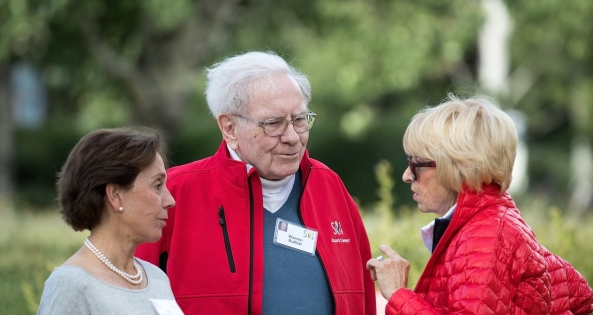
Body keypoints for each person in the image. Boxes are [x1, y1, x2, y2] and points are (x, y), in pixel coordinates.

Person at [135, 51, 376, 315]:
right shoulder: (176, 194)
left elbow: (362, 297)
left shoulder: (329, 186)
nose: (293, 137)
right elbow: (132, 297)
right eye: (273, 123)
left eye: (299, 119)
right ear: (229, 128)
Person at [366, 94, 593, 314]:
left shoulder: (487, 234)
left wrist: (397, 294)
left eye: (415, 163)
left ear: (456, 166)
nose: (407, 175)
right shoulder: (493, 223)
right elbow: (578, 295)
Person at [37, 127, 181, 315]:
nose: (170, 200)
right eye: (157, 185)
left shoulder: (156, 278)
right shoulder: (70, 285)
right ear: (115, 195)